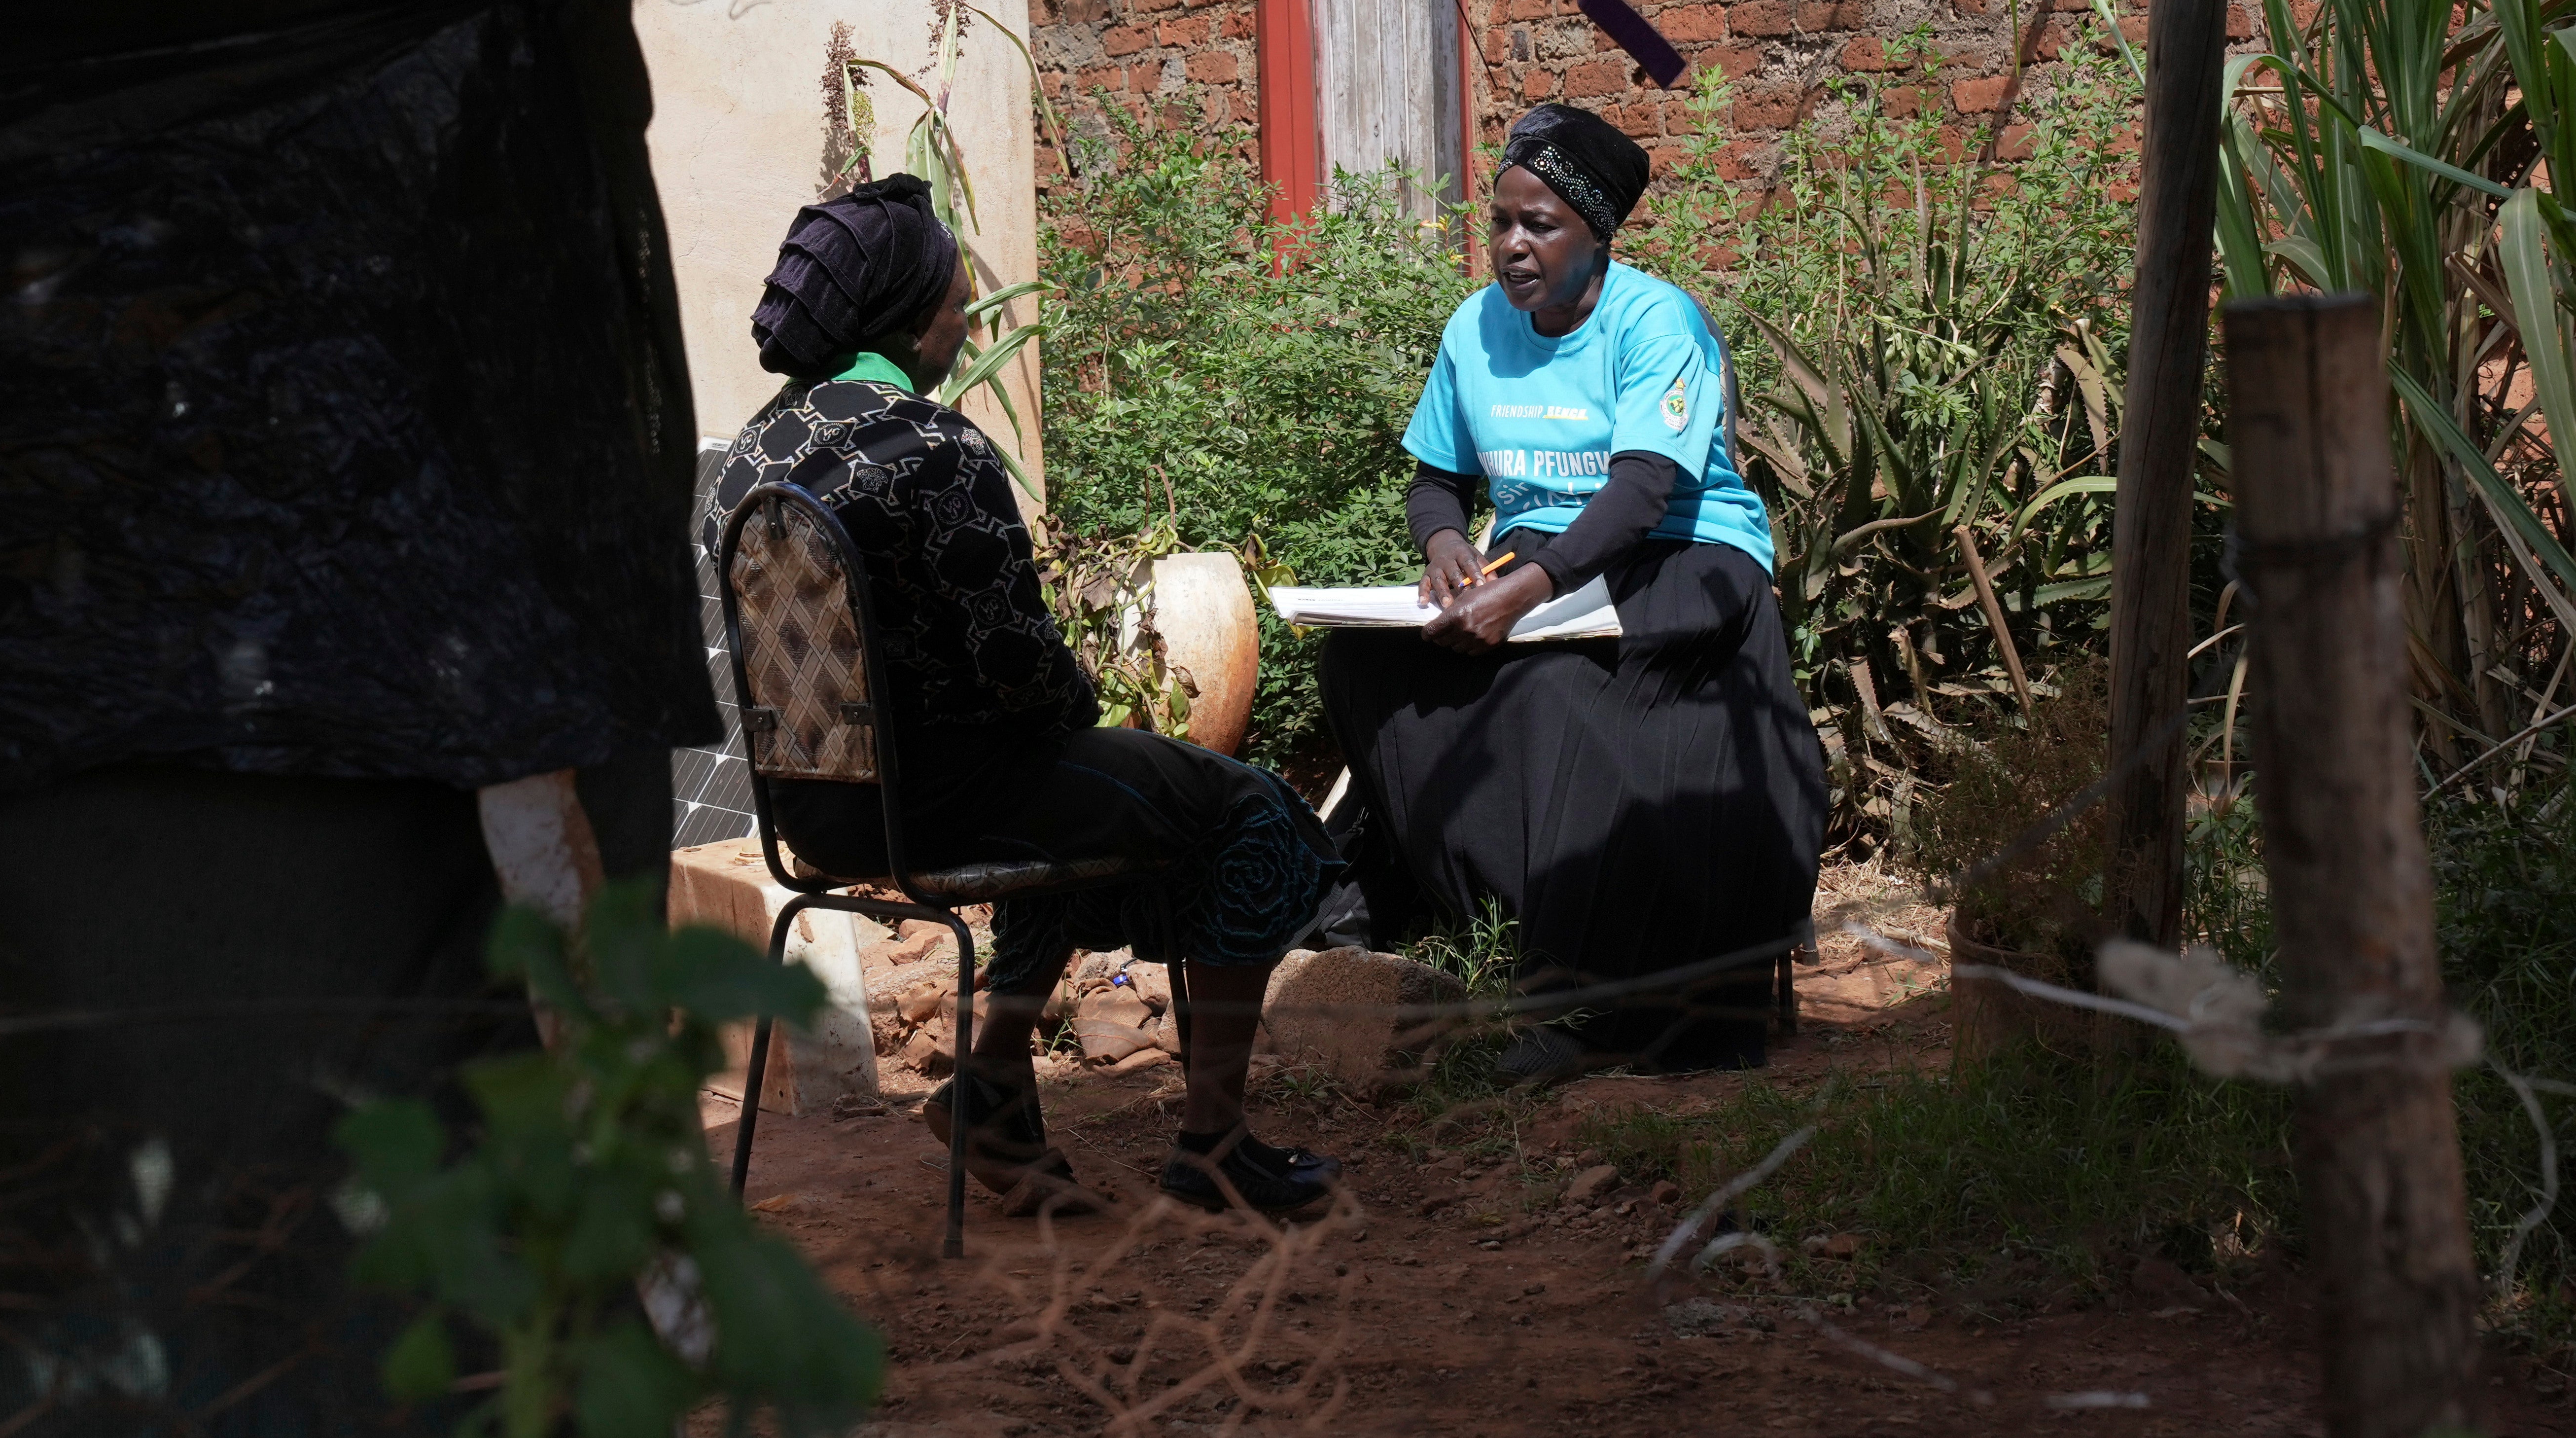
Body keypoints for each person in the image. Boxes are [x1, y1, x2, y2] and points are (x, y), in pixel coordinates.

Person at [708, 173, 1342, 1219]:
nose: (966, 327)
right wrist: (1093, 717)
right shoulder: (931, 448)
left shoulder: (747, 461)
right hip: (947, 808)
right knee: (1252, 811)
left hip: (816, 816)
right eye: (958, 307)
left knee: (1062, 787)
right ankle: (1216, 1146)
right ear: (907, 320)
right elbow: (1024, 672)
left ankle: (995, 1088)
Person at [1322, 106, 1828, 1082]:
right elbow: (1436, 480)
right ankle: (1486, 916)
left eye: (1540, 225)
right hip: (1537, 563)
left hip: (1682, 557)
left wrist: (1525, 593)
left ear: (1596, 233)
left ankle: (1582, 999)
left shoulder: (1656, 322)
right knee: (1363, 665)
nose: (1512, 245)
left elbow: (1643, 491)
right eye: (1501, 221)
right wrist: (1444, 545)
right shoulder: (1475, 328)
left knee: (1551, 692)